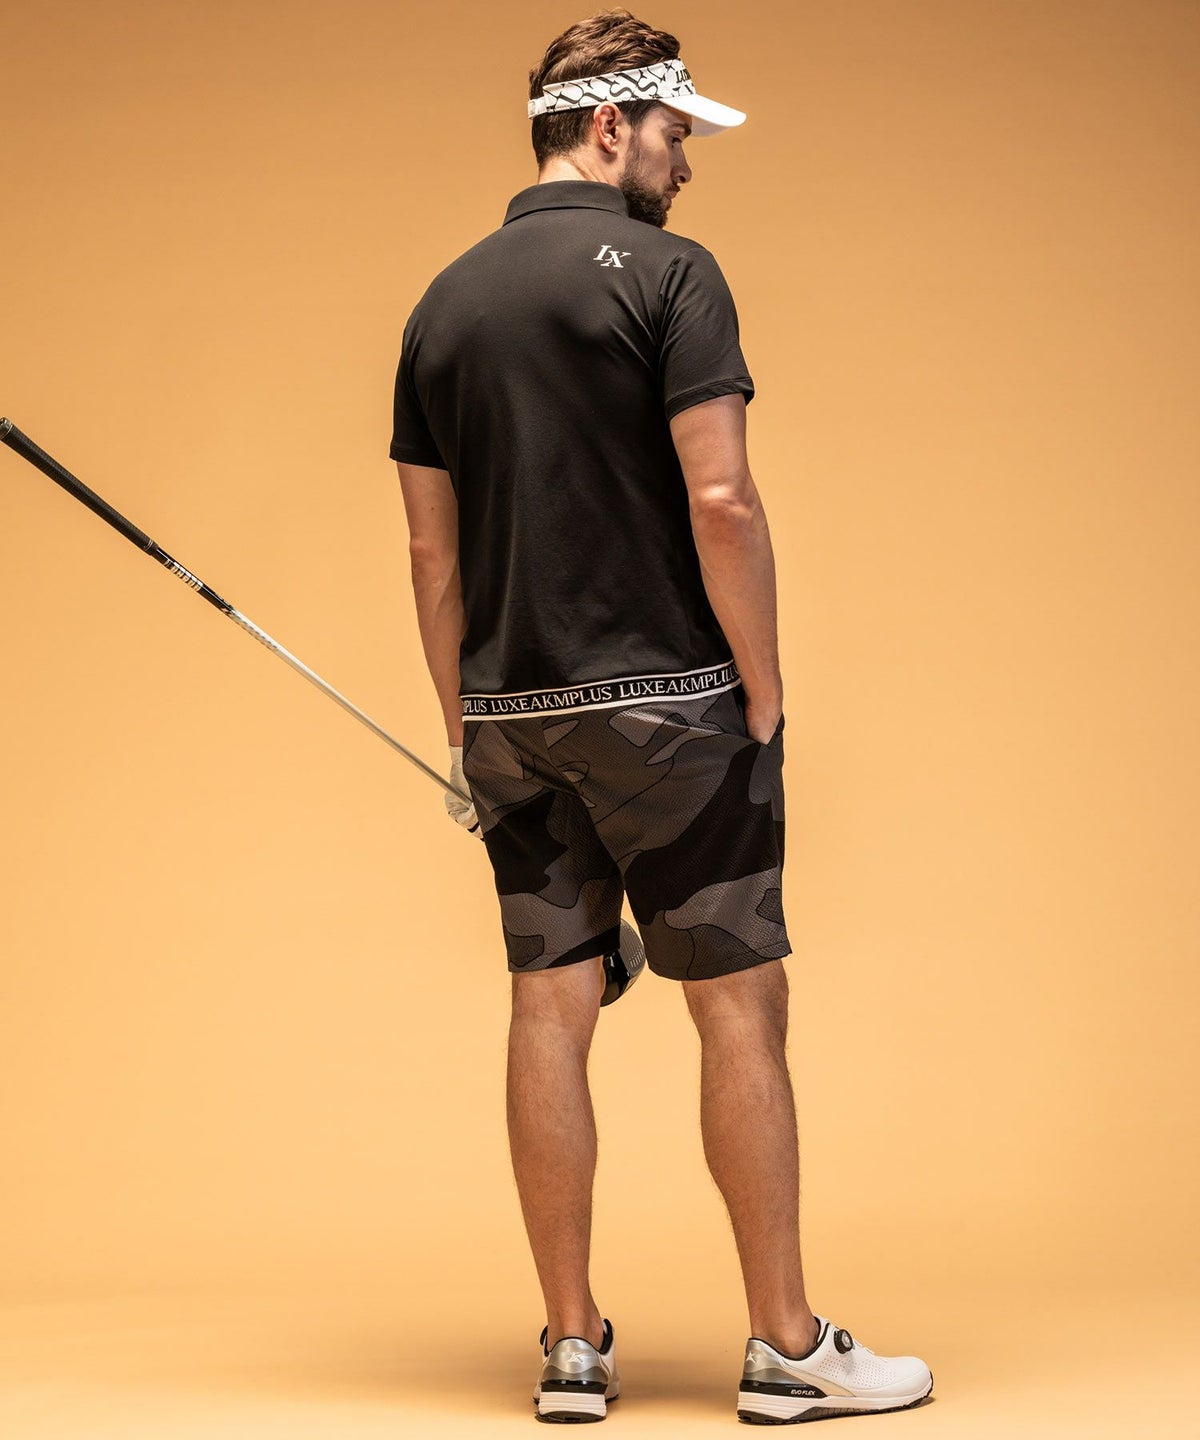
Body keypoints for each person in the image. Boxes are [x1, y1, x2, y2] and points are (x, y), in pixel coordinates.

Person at [390, 8, 932, 1425]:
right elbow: (723, 497)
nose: (687, 161)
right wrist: (763, 682)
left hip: (510, 716)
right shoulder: (673, 275)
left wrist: (463, 730)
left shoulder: (442, 305)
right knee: (739, 1002)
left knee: (549, 1004)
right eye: (678, 132)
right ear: (610, 124)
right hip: (673, 709)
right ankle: (788, 1349)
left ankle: (572, 1348)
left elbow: (432, 560)